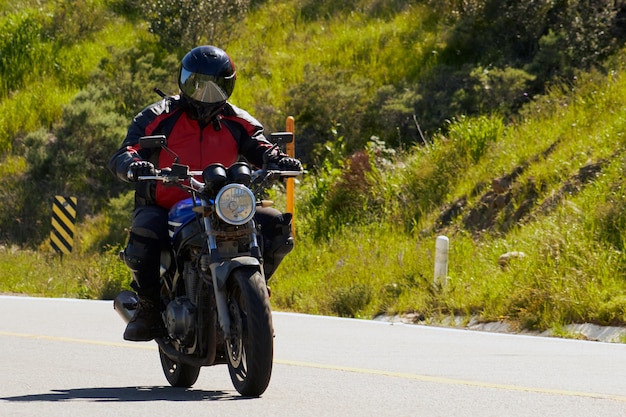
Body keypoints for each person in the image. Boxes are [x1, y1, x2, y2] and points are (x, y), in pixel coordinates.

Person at [109, 45, 301, 342]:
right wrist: (134, 165)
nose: (206, 95)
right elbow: (127, 150)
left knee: (276, 226)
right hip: (167, 202)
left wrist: (278, 160)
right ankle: (147, 307)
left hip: (223, 203)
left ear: (229, 86)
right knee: (144, 229)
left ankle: (253, 289)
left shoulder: (238, 120)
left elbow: (261, 145)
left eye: (216, 87)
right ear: (185, 82)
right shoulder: (159, 116)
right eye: (199, 85)